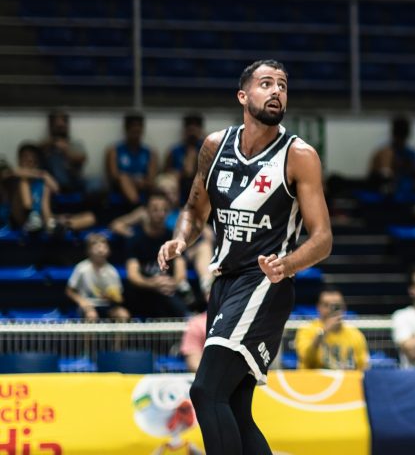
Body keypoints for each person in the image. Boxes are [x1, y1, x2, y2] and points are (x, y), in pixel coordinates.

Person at [158, 59, 332, 455]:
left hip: (265, 284)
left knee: (205, 391)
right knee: (234, 408)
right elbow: (194, 209)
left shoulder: (298, 155)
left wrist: (287, 265)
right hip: (224, 283)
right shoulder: (215, 146)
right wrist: (180, 240)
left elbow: (322, 239)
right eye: (266, 84)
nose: (276, 92)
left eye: (282, 86)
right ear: (242, 95)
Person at [125, 190, 191, 318]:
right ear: (146, 211)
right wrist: (152, 284)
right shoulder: (135, 239)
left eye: (164, 210)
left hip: (168, 291)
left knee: (172, 297)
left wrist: (170, 284)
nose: (160, 214)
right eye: (155, 209)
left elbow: (181, 273)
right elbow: (133, 275)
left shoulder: (174, 238)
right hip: (143, 292)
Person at [294, 288, 369, 371]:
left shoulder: (355, 334)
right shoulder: (306, 330)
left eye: (336, 306)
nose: (330, 310)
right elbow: (305, 358)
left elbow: (363, 367)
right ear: (318, 307)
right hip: (314, 378)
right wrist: (323, 331)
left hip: (346, 378)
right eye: (326, 305)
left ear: (344, 308)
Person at [65, 232, 130, 321]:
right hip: (88, 305)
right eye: (97, 247)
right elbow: (69, 291)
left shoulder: (112, 271)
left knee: (123, 315)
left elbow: (119, 298)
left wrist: (112, 297)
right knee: (92, 315)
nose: (100, 250)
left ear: (109, 250)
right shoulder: (82, 268)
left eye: (104, 247)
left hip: (107, 306)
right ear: (88, 250)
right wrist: (81, 301)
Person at [370, 115, 415, 204]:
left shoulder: (414, 154)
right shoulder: (384, 153)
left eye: (402, 133)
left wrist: (412, 168)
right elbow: (371, 174)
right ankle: (387, 183)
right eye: (398, 132)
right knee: (387, 153)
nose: (400, 136)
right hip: (390, 186)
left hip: (409, 187)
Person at [105, 112, 159, 206]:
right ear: (126, 129)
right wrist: (133, 181)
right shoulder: (114, 151)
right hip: (120, 188)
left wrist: (141, 182)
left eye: (139, 127)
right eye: (133, 127)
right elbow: (114, 176)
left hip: (144, 187)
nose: (136, 130)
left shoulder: (150, 153)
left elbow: (151, 178)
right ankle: (137, 206)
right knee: (123, 178)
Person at [39, 110, 87, 194]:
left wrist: (65, 151)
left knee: (96, 182)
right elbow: (35, 154)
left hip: (75, 181)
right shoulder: (45, 145)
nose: (61, 126)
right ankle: (64, 186)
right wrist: (54, 143)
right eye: (57, 125)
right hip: (53, 183)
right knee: (54, 158)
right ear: (51, 126)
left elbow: (82, 159)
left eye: (63, 122)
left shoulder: (76, 144)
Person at [164, 113, 205, 200]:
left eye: (195, 130)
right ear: (185, 130)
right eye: (190, 130)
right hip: (179, 186)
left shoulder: (207, 150)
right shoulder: (174, 151)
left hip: (200, 186)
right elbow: (165, 173)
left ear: (200, 131)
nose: (192, 133)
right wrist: (177, 173)